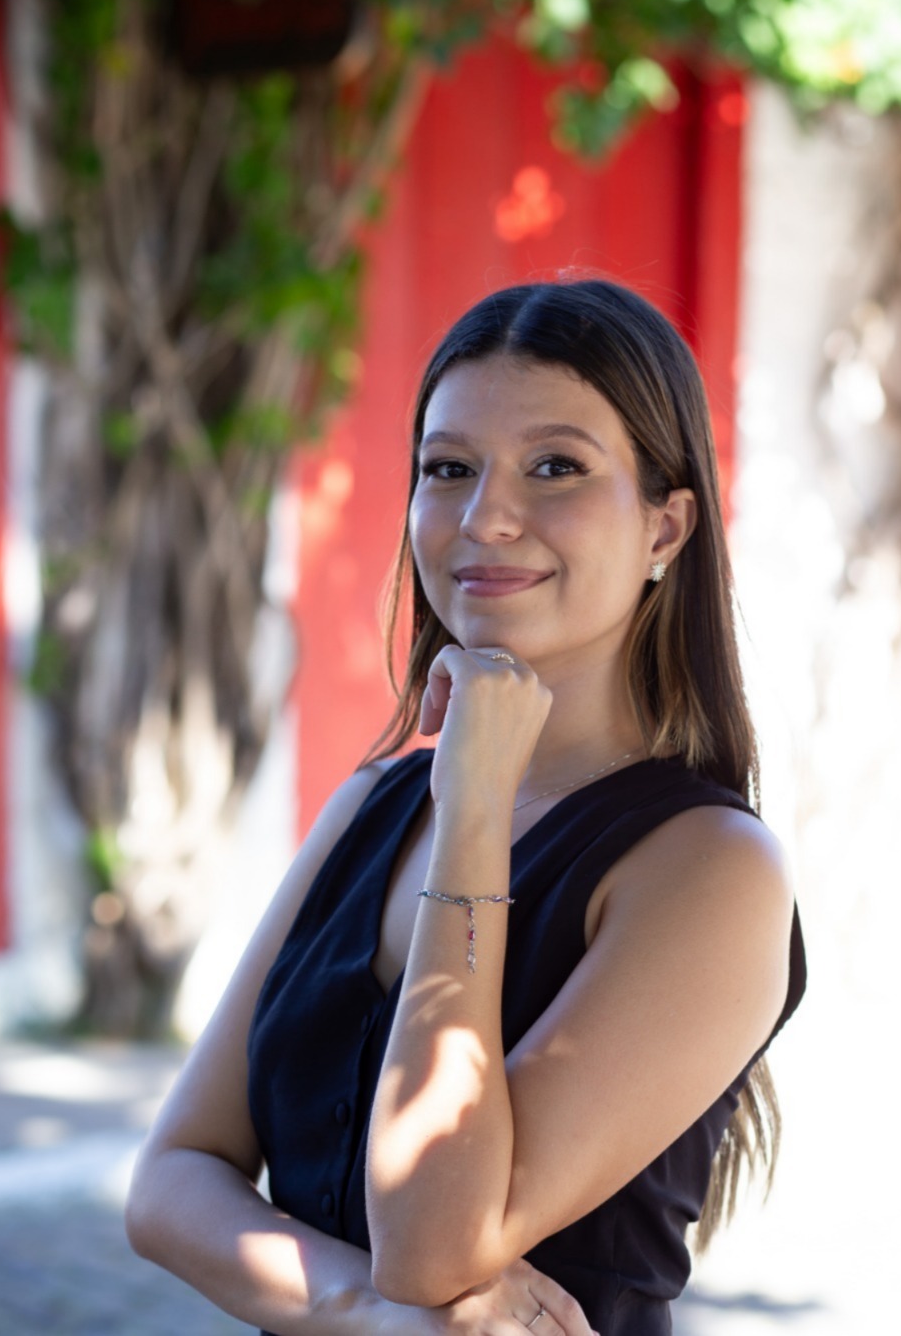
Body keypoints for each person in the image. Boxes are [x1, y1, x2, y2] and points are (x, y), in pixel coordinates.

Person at [126, 277, 807, 1336]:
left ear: (665, 528)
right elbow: (171, 1180)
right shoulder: (372, 804)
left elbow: (436, 1242)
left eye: (556, 467)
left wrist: (478, 805)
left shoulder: (709, 869)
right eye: (448, 468)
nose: (486, 517)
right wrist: (369, 1314)